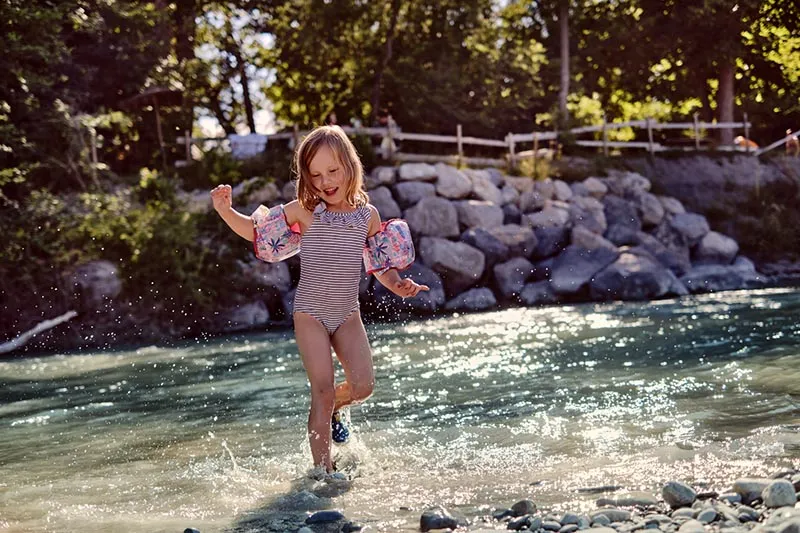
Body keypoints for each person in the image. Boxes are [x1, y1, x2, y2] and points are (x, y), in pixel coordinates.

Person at [210, 125, 429, 475]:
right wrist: (225, 211)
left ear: (350, 167)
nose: (325, 181)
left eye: (332, 171)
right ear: (306, 178)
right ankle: (324, 473)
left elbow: (379, 263)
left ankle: (336, 409)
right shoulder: (304, 212)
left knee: (363, 386)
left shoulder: (366, 216)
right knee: (322, 390)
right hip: (310, 313)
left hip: (347, 314)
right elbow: (256, 232)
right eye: (315, 174)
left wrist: (398, 284)